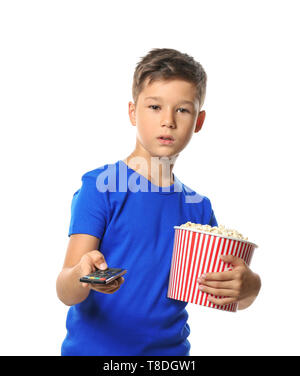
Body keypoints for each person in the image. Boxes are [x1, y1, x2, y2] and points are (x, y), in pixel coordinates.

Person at [56, 48, 261, 356]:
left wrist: (250, 287)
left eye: (182, 110)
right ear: (132, 112)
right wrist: (82, 276)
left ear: (199, 120)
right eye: (154, 106)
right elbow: (65, 289)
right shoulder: (101, 187)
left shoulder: (198, 208)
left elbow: (225, 294)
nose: (168, 121)